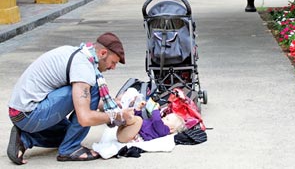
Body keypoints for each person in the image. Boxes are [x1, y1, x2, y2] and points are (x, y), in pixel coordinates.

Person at [7, 32, 132, 164]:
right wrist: (116, 116)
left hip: (20, 113)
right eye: (113, 62)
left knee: (69, 134)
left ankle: (25, 138)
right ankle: (70, 149)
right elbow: (85, 118)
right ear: (102, 53)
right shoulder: (83, 68)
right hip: (29, 114)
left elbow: (81, 97)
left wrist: (111, 103)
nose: (113, 67)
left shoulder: (79, 54)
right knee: (93, 87)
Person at [116, 102, 186, 143]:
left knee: (137, 120)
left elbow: (156, 121)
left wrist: (155, 110)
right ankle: (121, 117)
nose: (163, 118)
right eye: (165, 117)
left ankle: (121, 117)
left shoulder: (165, 130)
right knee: (136, 117)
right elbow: (143, 122)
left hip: (131, 136)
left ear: (172, 129)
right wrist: (138, 110)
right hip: (125, 131)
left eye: (167, 119)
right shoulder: (154, 123)